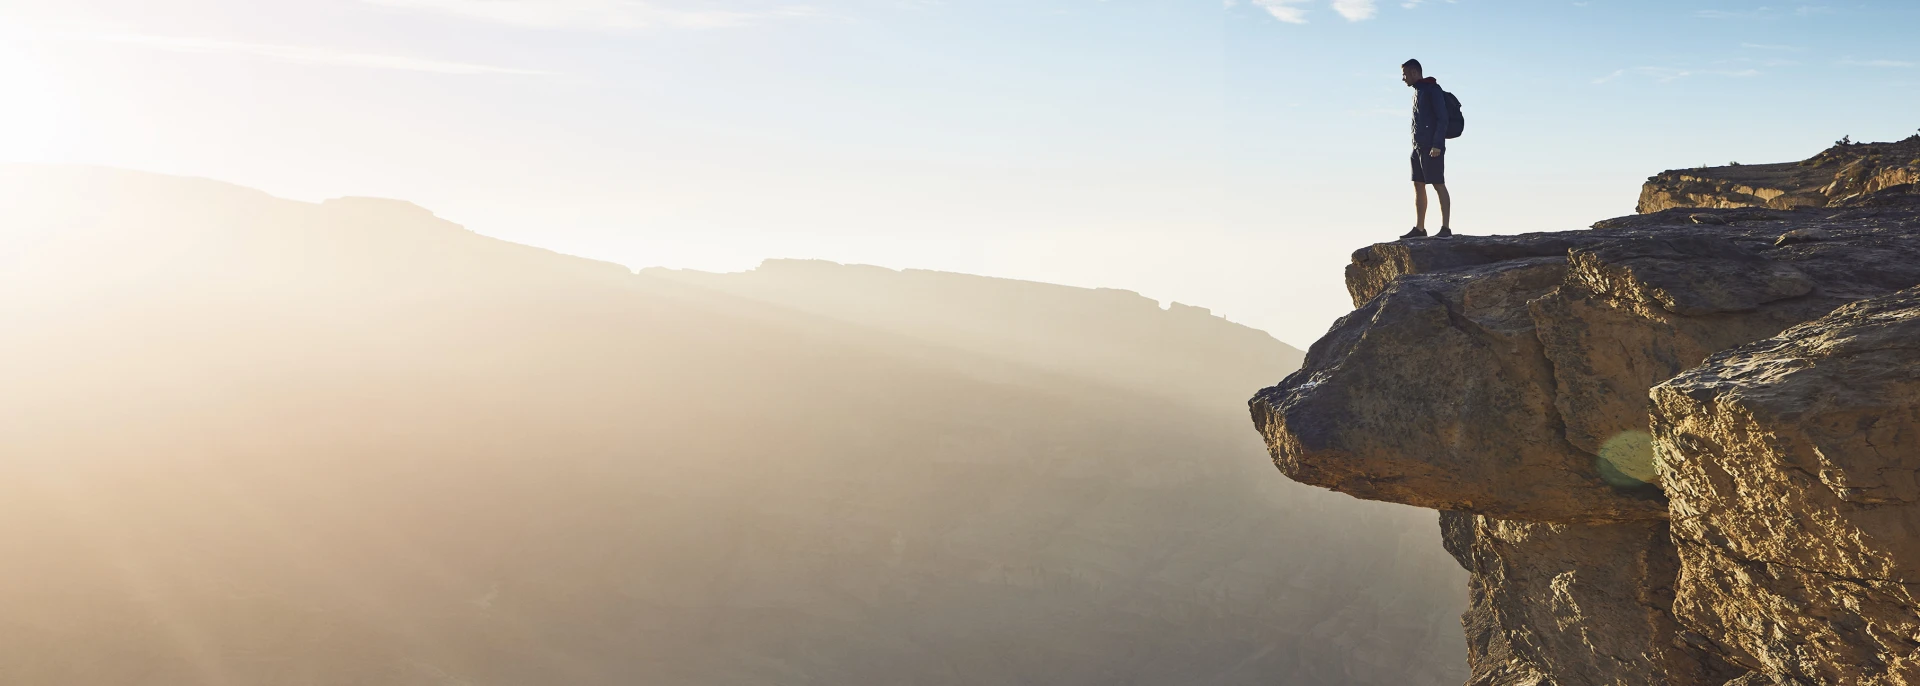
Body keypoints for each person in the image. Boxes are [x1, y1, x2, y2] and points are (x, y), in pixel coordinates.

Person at [1400, 59, 1452, 239]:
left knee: (1438, 184)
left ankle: (1446, 229)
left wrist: (1437, 144)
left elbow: (1442, 118)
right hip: (1418, 147)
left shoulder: (1432, 89)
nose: (1403, 78)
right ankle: (1420, 229)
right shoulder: (1418, 91)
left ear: (1414, 73)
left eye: (1405, 74)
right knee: (1418, 184)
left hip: (1432, 147)